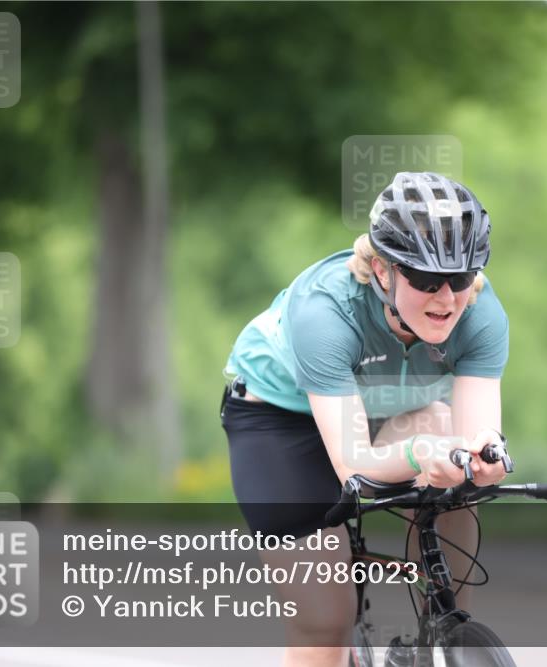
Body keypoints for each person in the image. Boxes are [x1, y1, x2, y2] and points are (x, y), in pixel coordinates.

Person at [222, 171, 510, 667]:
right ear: (381, 271)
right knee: (324, 624)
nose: (446, 298)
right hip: (279, 421)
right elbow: (355, 465)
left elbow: (476, 435)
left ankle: (442, 627)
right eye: (424, 279)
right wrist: (419, 454)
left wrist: (486, 456)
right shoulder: (325, 311)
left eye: (460, 278)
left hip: (381, 411)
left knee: (451, 445)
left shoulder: (481, 314)